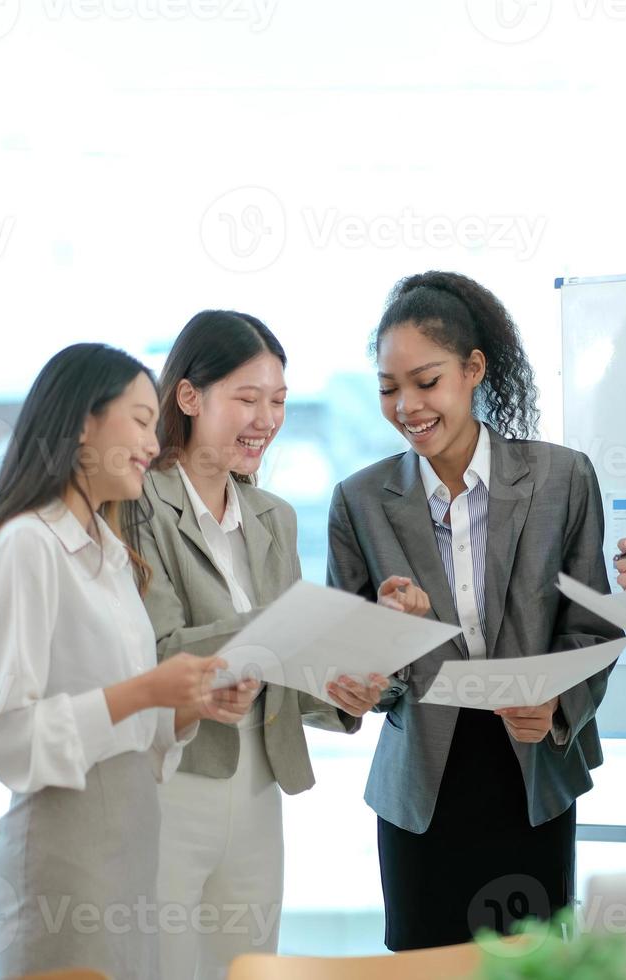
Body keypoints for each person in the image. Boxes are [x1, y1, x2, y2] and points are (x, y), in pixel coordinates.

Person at [326, 270, 621, 951]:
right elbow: (353, 666)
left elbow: (591, 627)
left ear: (472, 370)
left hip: (531, 770)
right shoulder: (361, 501)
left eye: (425, 383)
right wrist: (374, 660)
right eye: (388, 388)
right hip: (420, 791)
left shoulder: (560, 477)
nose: (407, 405)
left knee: (534, 967)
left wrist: (557, 702)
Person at [0, 342, 259, 979]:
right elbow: (9, 739)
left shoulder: (112, 557)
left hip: (129, 855)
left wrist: (185, 705)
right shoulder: (27, 548)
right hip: (62, 864)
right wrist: (149, 690)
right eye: (142, 421)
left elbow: (138, 737)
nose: (155, 445)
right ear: (83, 423)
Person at [134, 311, 389, 979]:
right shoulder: (139, 505)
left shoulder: (274, 515)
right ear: (189, 398)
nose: (265, 420)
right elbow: (160, 649)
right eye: (246, 399)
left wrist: (342, 692)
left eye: (276, 401)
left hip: (256, 781)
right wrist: (284, 623)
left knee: (244, 966)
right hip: (170, 780)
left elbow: (288, 657)